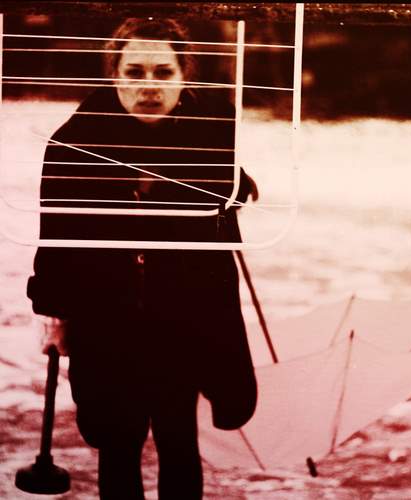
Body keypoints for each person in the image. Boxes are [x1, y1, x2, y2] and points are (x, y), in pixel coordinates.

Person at [27, 18, 258, 500]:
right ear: (114, 75)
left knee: (178, 437)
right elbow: (57, 237)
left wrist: (234, 184)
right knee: (119, 440)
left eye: (163, 72)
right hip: (107, 316)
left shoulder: (210, 134)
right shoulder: (74, 143)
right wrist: (54, 314)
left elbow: (218, 239)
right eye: (134, 72)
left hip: (182, 316)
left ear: (184, 76)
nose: (149, 86)